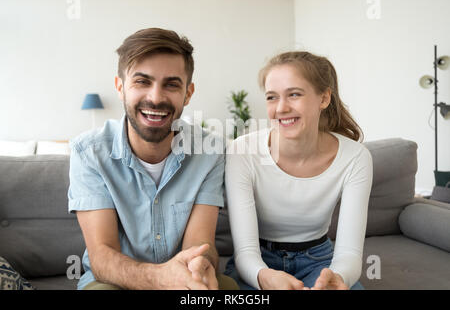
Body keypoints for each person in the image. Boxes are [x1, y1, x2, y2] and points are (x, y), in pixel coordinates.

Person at [68, 28, 237, 290]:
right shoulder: (88, 153)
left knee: (226, 288)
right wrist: (160, 279)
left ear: (188, 93)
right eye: (142, 82)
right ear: (120, 87)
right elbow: (102, 258)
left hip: (184, 280)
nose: (156, 98)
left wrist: (199, 264)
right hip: (113, 282)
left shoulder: (210, 151)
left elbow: (200, 243)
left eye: (171, 84)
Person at [224, 51, 373, 290]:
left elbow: (349, 253)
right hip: (260, 261)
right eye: (272, 97)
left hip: (320, 260)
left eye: (294, 94)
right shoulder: (242, 151)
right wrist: (264, 277)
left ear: (324, 98)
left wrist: (338, 278)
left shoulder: (356, 157)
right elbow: (245, 252)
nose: (281, 108)